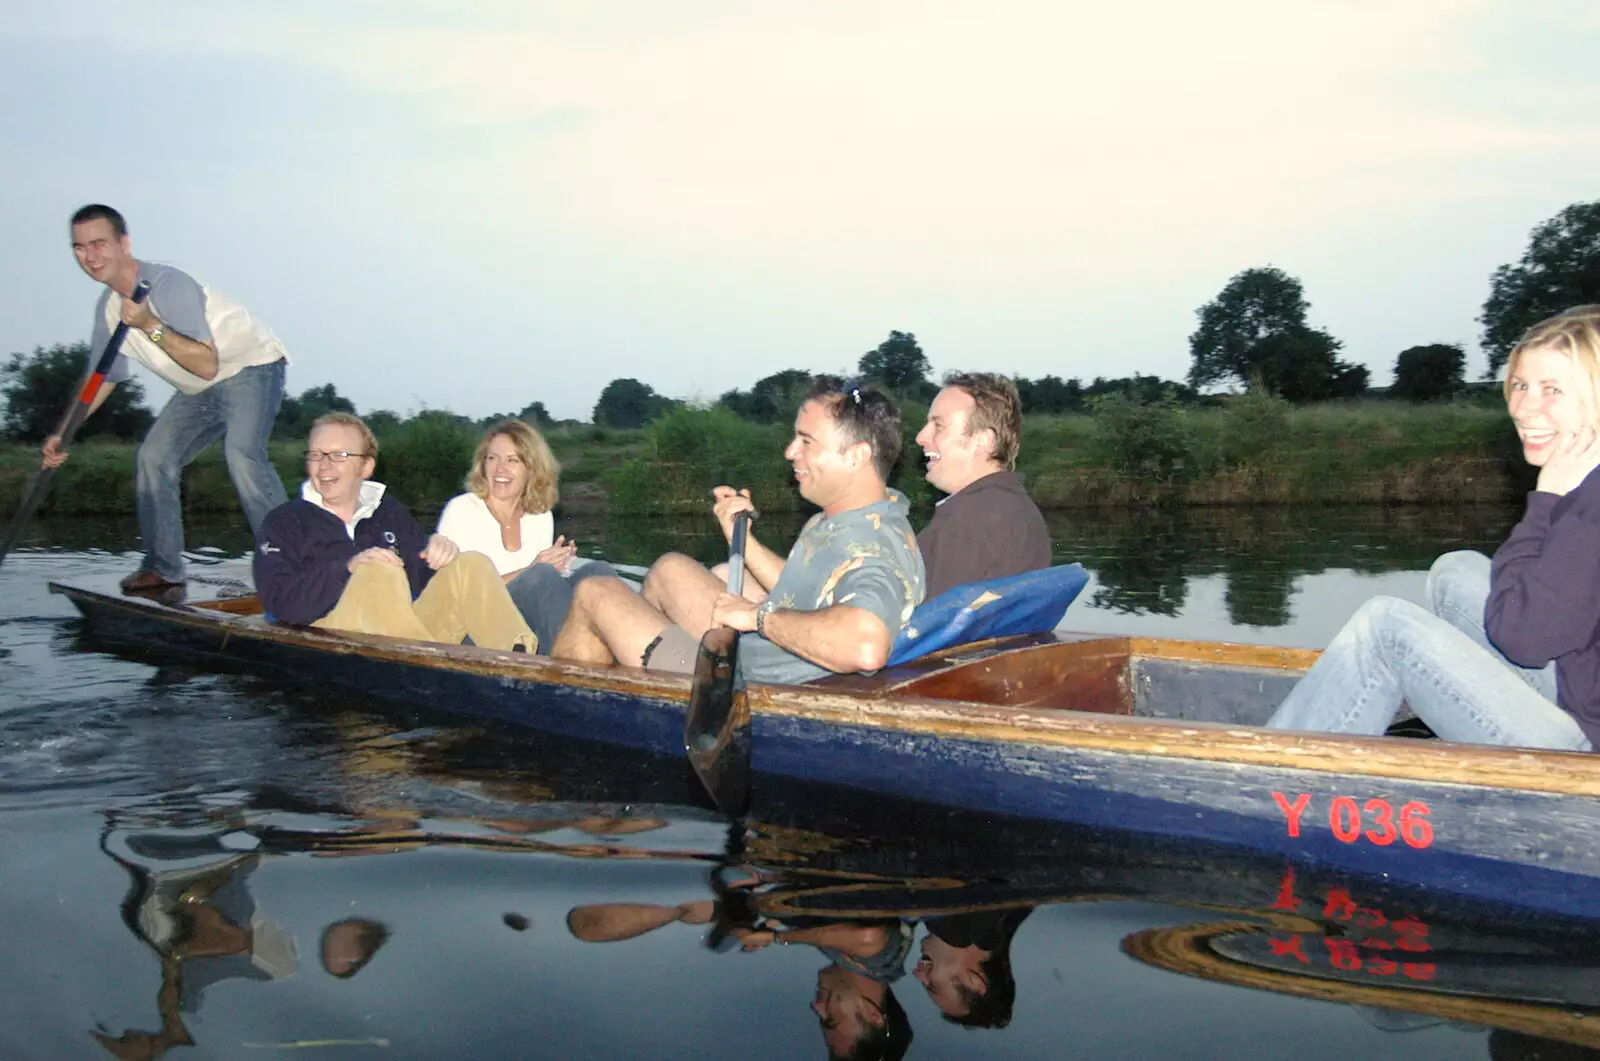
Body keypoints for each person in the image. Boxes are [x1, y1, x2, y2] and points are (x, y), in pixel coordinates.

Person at [1266, 307, 1600, 750]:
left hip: (1580, 754)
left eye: (1552, 389)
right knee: (1456, 569)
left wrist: (1545, 501)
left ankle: (1267, 773)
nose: (1523, 407)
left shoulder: (1586, 509)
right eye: (1520, 385)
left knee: (1384, 630)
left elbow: (1522, 639)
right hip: (1581, 685)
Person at [551, 378, 924, 684]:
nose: (790, 452)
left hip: (743, 681)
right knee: (670, 569)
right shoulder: (853, 515)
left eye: (806, 442)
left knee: (593, 592)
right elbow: (805, 589)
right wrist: (740, 539)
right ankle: (647, 677)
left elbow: (865, 646)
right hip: (750, 656)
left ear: (856, 456)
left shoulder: (871, 544)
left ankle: (582, 706)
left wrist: (757, 617)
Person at [45, 204, 290, 594]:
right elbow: (100, 380)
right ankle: (163, 567)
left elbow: (208, 363)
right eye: (79, 248)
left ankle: (289, 563)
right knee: (153, 457)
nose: (90, 257)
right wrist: (63, 434)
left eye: (99, 244)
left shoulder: (168, 285)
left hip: (250, 368)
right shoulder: (108, 310)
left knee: (242, 454)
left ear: (124, 244)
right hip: (199, 391)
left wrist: (149, 325)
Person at [253, 413, 536, 653]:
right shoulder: (285, 521)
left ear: (366, 466)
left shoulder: (389, 513)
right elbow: (279, 601)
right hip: (333, 638)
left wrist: (439, 553)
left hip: (401, 640)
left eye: (339, 455)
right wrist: (348, 568)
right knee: (377, 568)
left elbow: (425, 581)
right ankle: (433, 668)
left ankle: (518, 663)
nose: (324, 465)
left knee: (470, 563)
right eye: (316, 455)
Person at [436, 420, 616, 654]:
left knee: (597, 573)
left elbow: (541, 589)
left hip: (528, 623)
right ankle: (570, 663)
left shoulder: (540, 516)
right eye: (492, 458)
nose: (500, 469)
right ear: (482, 465)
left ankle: (614, 657)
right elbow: (456, 596)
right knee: (540, 576)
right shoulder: (461, 510)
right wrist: (536, 568)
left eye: (512, 460)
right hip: (474, 631)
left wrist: (560, 566)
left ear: (532, 468)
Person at [913, 372, 1052, 596]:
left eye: (938, 426)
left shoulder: (972, 517)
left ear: (982, 440)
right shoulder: (1012, 506)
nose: (921, 436)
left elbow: (932, 622)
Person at [912, 908, 1033, 1029]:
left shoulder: (1010, 907)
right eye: (932, 985)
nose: (918, 974)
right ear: (973, 982)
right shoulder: (950, 917)